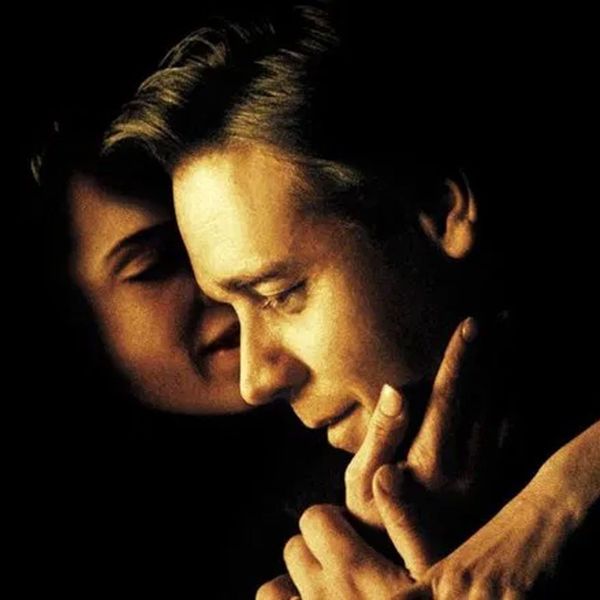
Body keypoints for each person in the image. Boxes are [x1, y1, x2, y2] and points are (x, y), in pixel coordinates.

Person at [102, 3, 599, 597]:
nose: (255, 380)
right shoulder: (295, 554)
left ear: (439, 209)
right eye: (230, 307)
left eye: (280, 294)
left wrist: (566, 496)